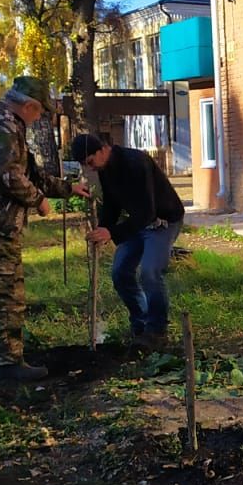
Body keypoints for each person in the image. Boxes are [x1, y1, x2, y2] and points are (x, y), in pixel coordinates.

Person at [0, 75, 89, 385]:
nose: (39, 119)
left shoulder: (0, 120)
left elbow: (31, 173)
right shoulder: (1, 124)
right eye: (40, 113)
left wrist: (68, 189)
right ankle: (8, 364)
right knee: (5, 296)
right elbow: (8, 175)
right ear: (29, 106)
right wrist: (38, 201)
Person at [70, 133, 185, 348]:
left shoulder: (136, 163)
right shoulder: (105, 168)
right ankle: (141, 322)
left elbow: (148, 212)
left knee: (150, 272)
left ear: (102, 150)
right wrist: (103, 227)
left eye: (90, 162)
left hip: (162, 221)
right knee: (120, 272)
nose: (90, 168)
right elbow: (113, 203)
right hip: (137, 222)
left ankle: (157, 330)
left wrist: (112, 233)